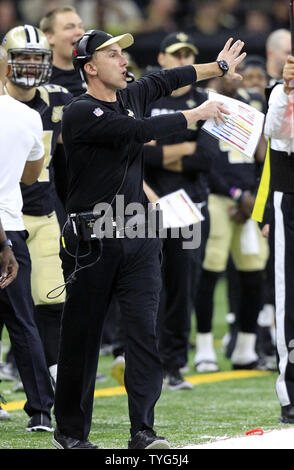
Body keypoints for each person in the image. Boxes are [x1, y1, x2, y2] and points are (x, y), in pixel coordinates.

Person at [52, 28, 245, 449]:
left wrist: (221, 67)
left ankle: (143, 431)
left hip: (139, 235)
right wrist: (197, 115)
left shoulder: (131, 94)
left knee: (144, 334)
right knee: (81, 340)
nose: (124, 60)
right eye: (113, 55)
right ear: (90, 67)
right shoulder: (80, 111)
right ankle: (69, 432)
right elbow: (135, 131)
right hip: (93, 239)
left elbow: (168, 79)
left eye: (123, 54)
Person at [2, 24, 73, 389]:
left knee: (50, 299)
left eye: (36, 57)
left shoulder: (59, 99)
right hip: (5, 214)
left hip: (43, 211)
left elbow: (63, 160)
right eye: (22, 57)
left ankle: (53, 376)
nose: (30, 65)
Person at [143, 32, 213, 386]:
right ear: (161, 59)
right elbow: (137, 152)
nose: (184, 58)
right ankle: (143, 359)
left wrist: (160, 151)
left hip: (192, 206)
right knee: (146, 285)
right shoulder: (146, 96)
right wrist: (181, 149)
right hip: (147, 202)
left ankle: (173, 363)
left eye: (189, 52)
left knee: (184, 284)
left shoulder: (207, 99)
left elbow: (206, 157)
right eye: (176, 53)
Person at [194, 74, 269, 371]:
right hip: (217, 198)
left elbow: (264, 156)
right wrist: (236, 194)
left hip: (249, 201)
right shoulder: (203, 104)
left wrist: (250, 195)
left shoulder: (252, 103)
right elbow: (203, 161)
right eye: (230, 73)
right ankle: (203, 349)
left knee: (253, 275)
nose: (237, 79)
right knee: (209, 273)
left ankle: (245, 348)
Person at [0, 45, 54, 431]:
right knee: (22, 321)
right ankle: (39, 410)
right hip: (12, 225)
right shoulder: (28, 116)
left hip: (6, 234)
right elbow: (31, 176)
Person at [263, 55, 294, 423]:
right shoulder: (278, 93)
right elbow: (276, 134)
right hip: (291, 198)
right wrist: (287, 92)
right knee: (289, 299)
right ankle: (291, 392)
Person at [40, 6, 86, 96]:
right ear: (49, 37)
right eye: (69, 27)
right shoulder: (38, 79)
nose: (79, 32)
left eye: (81, 27)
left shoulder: (94, 72)